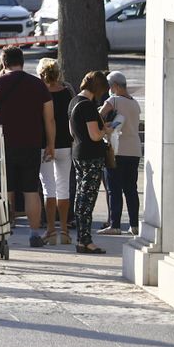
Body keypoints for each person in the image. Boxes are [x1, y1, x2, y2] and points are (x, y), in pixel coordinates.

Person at [0, 46, 55, 248]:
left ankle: (6, 228)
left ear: (3, 64)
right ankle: (34, 233)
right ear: (22, 62)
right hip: (31, 141)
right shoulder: (38, 85)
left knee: (5, 188)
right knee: (31, 189)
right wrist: (51, 145)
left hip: (3, 142)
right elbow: (49, 118)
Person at [70, 71, 111, 254]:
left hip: (78, 152)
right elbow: (95, 135)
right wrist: (106, 131)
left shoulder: (74, 101)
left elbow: (72, 131)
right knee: (88, 199)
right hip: (91, 156)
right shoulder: (88, 106)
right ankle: (86, 240)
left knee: (80, 197)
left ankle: (81, 238)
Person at [100, 71, 143, 235]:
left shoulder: (113, 100)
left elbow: (98, 116)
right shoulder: (135, 104)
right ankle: (134, 224)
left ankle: (115, 224)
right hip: (134, 149)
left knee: (114, 188)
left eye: (110, 86)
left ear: (115, 86)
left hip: (116, 150)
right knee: (130, 188)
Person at [38, 58, 74, 245]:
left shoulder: (40, 93)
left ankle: (51, 230)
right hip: (65, 144)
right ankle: (65, 230)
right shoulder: (67, 92)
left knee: (48, 188)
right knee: (63, 186)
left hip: (46, 144)